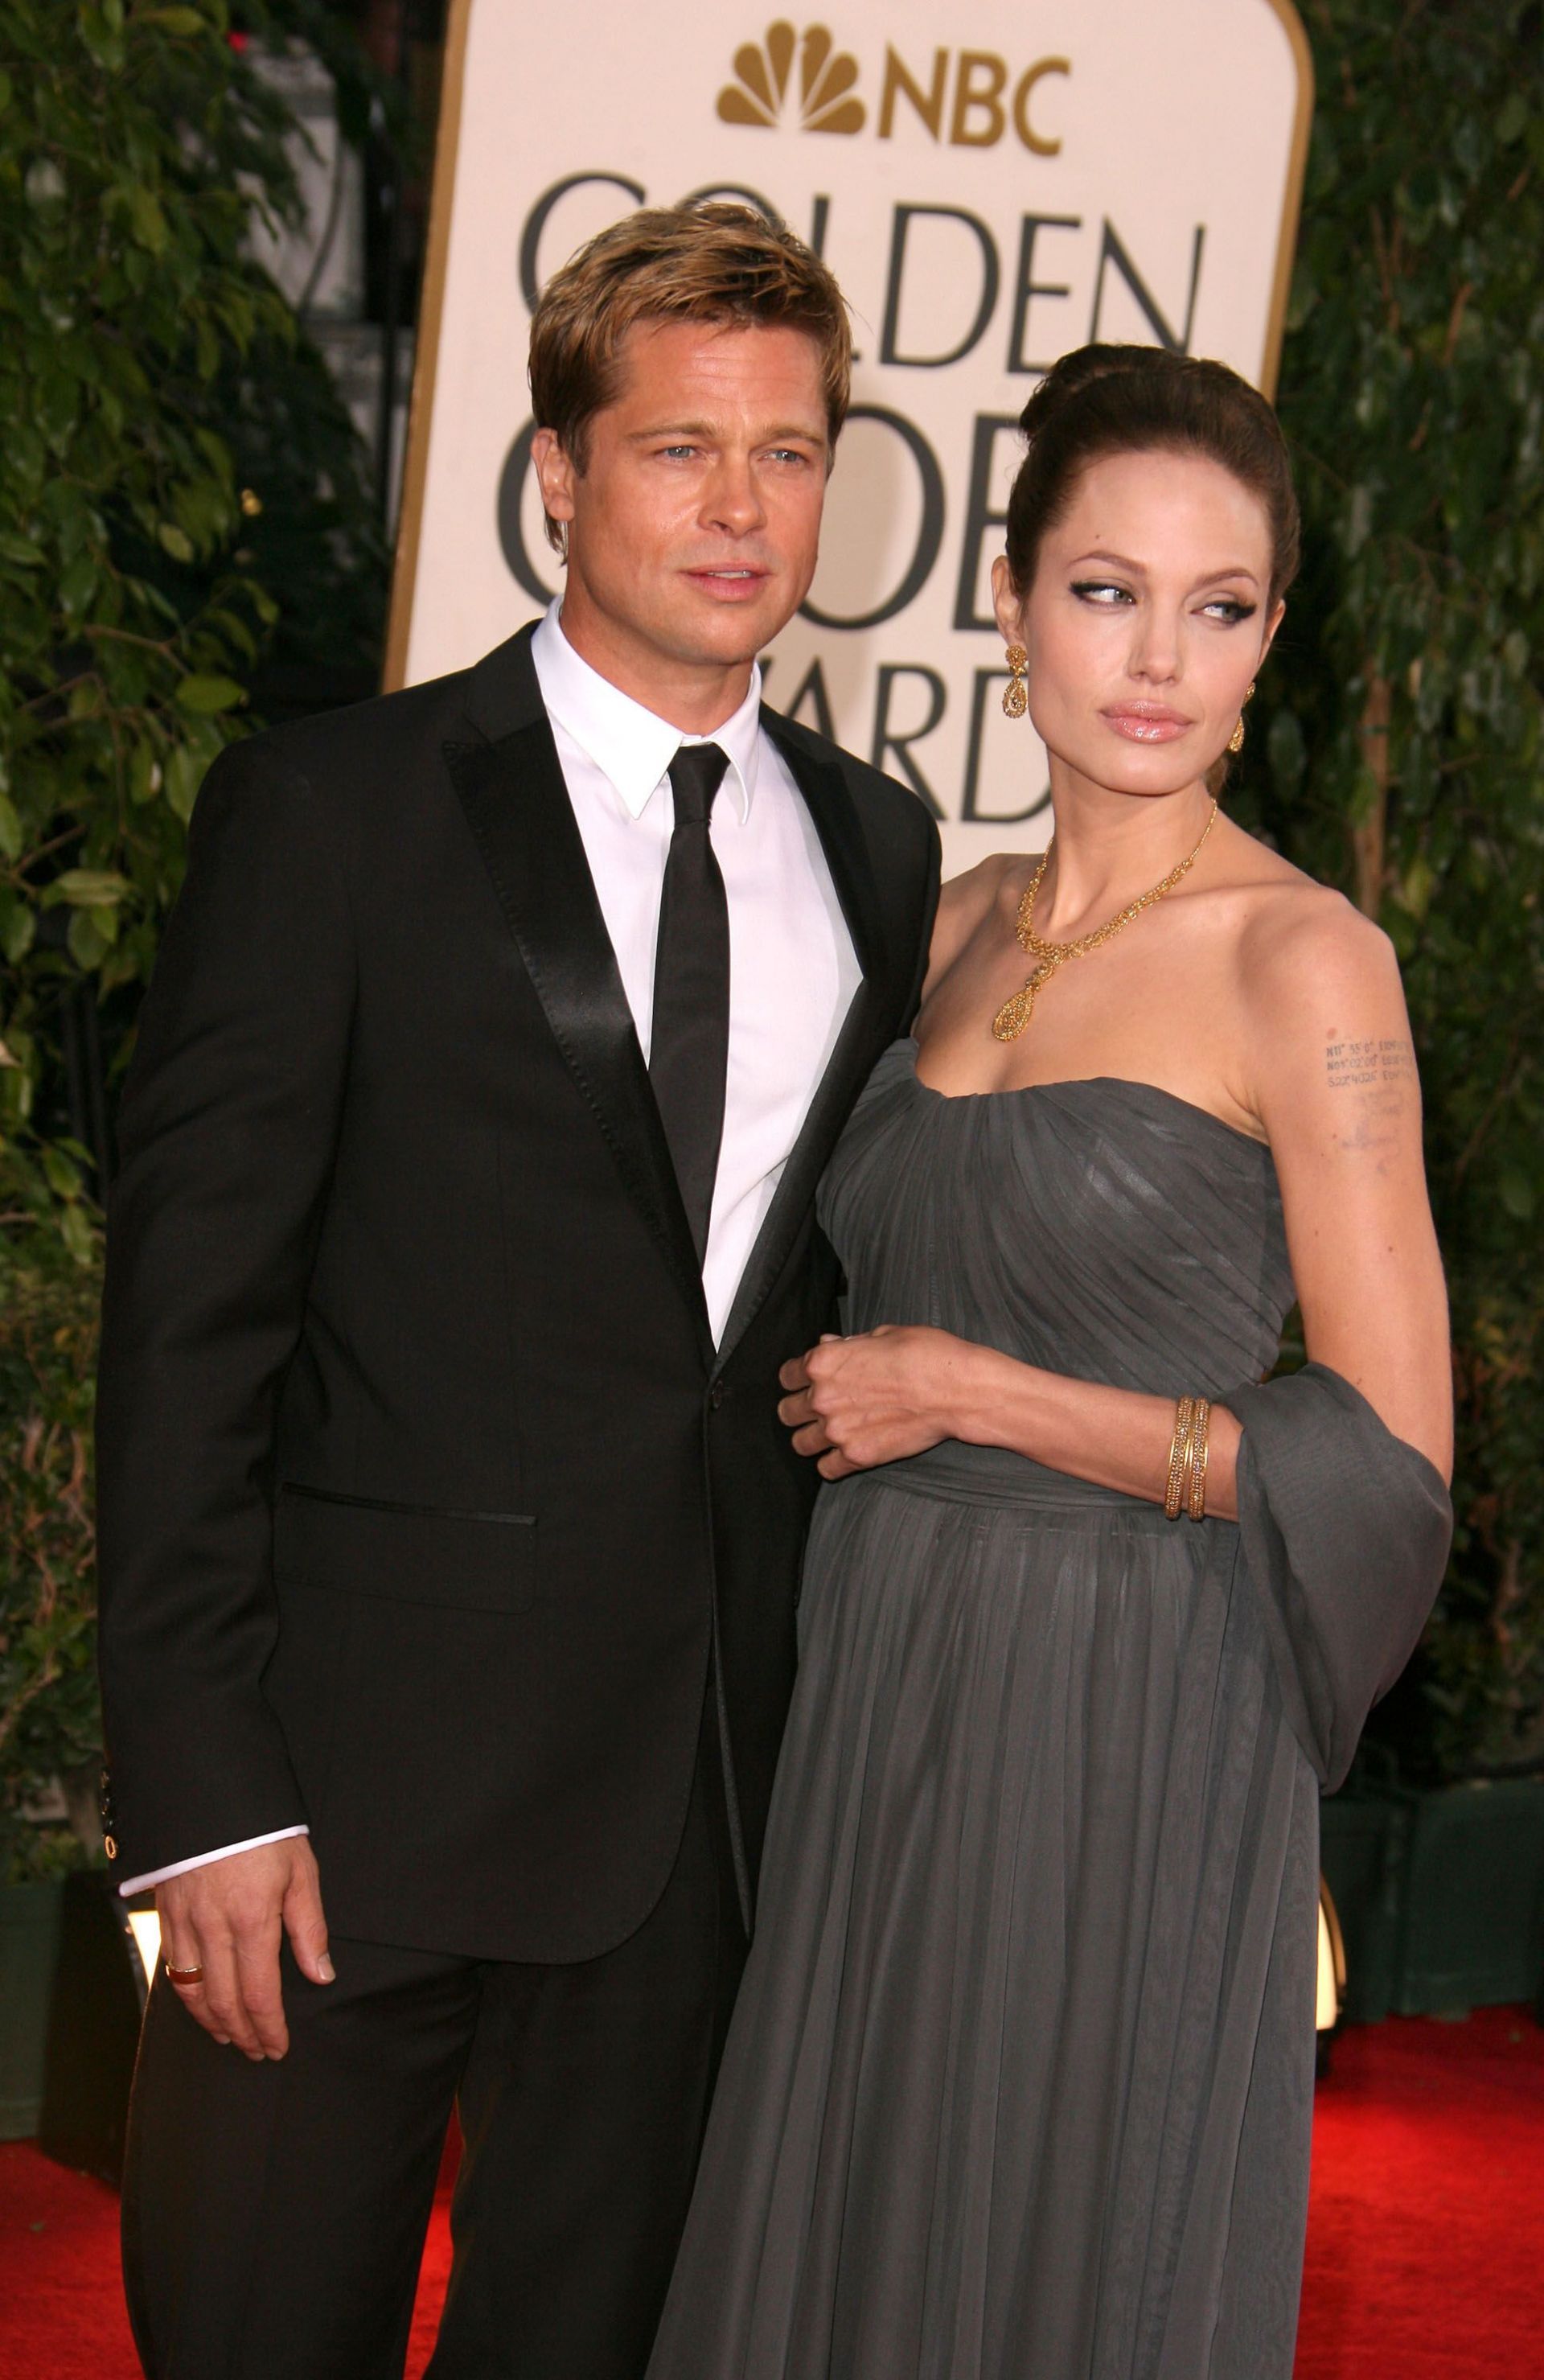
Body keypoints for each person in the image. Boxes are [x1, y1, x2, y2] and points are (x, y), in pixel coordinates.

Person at [93, 201, 939, 2380]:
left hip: (694, 1820)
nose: (742, 507)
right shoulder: (334, 811)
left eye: (788, 450)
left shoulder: (879, 849)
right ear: (559, 473)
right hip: (340, 1816)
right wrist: (203, 1792)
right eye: (680, 450)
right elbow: (192, 1335)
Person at [644, 344, 1454, 2380]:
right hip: (887, 1663)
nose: (1160, 658)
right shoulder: (953, 921)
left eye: (1222, 604)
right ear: (1010, 604)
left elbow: (1386, 1462)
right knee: (855, 2219)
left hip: (1129, 1699)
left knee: (1055, 2248)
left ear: (1272, 632)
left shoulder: (1308, 961)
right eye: (1107, 591)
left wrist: (975, 1394)